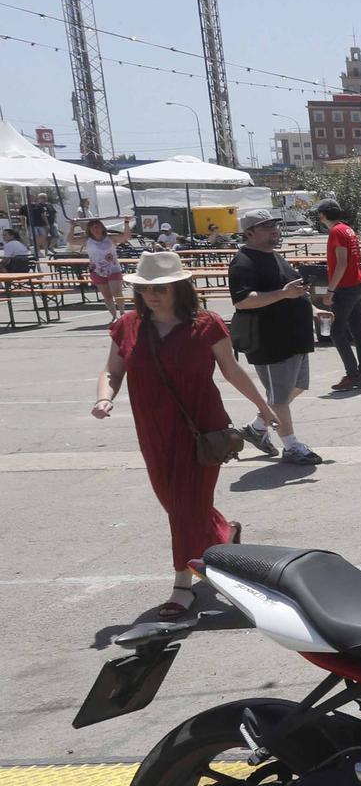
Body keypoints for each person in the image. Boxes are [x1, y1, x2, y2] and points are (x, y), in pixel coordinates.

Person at [92, 251, 277, 620]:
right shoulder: (127, 326)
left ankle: (183, 585)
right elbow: (112, 371)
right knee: (177, 503)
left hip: (201, 430)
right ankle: (225, 532)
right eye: (145, 289)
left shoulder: (206, 324)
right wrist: (104, 398)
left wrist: (263, 406)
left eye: (161, 288)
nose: (153, 295)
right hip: (153, 430)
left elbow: (231, 370)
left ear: (179, 287)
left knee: (183, 506)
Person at [229, 206, 330, 466]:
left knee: (296, 387)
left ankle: (256, 427)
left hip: (295, 338)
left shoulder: (274, 256)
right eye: (266, 227)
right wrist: (283, 295)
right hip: (269, 341)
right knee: (279, 397)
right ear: (249, 233)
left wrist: (314, 308)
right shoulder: (244, 261)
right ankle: (291, 445)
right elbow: (242, 301)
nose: (274, 230)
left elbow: (294, 289)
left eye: (275, 225)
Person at [314, 200, 361, 391]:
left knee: (336, 332)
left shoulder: (336, 232)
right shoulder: (347, 229)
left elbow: (342, 262)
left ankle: (353, 373)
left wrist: (330, 290)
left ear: (322, 215)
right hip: (357, 283)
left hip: (346, 286)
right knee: (357, 329)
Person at [70, 216, 134, 319]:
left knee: (117, 291)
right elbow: (71, 240)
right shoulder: (87, 240)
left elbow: (125, 236)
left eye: (98, 226)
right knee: (107, 295)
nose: (96, 228)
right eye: (93, 227)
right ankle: (114, 316)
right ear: (89, 229)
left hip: (113, 268)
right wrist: (72, 227)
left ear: (102, 227)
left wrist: (126, 223)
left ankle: (122, 312)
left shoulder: (110, 238)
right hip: (96, 270)